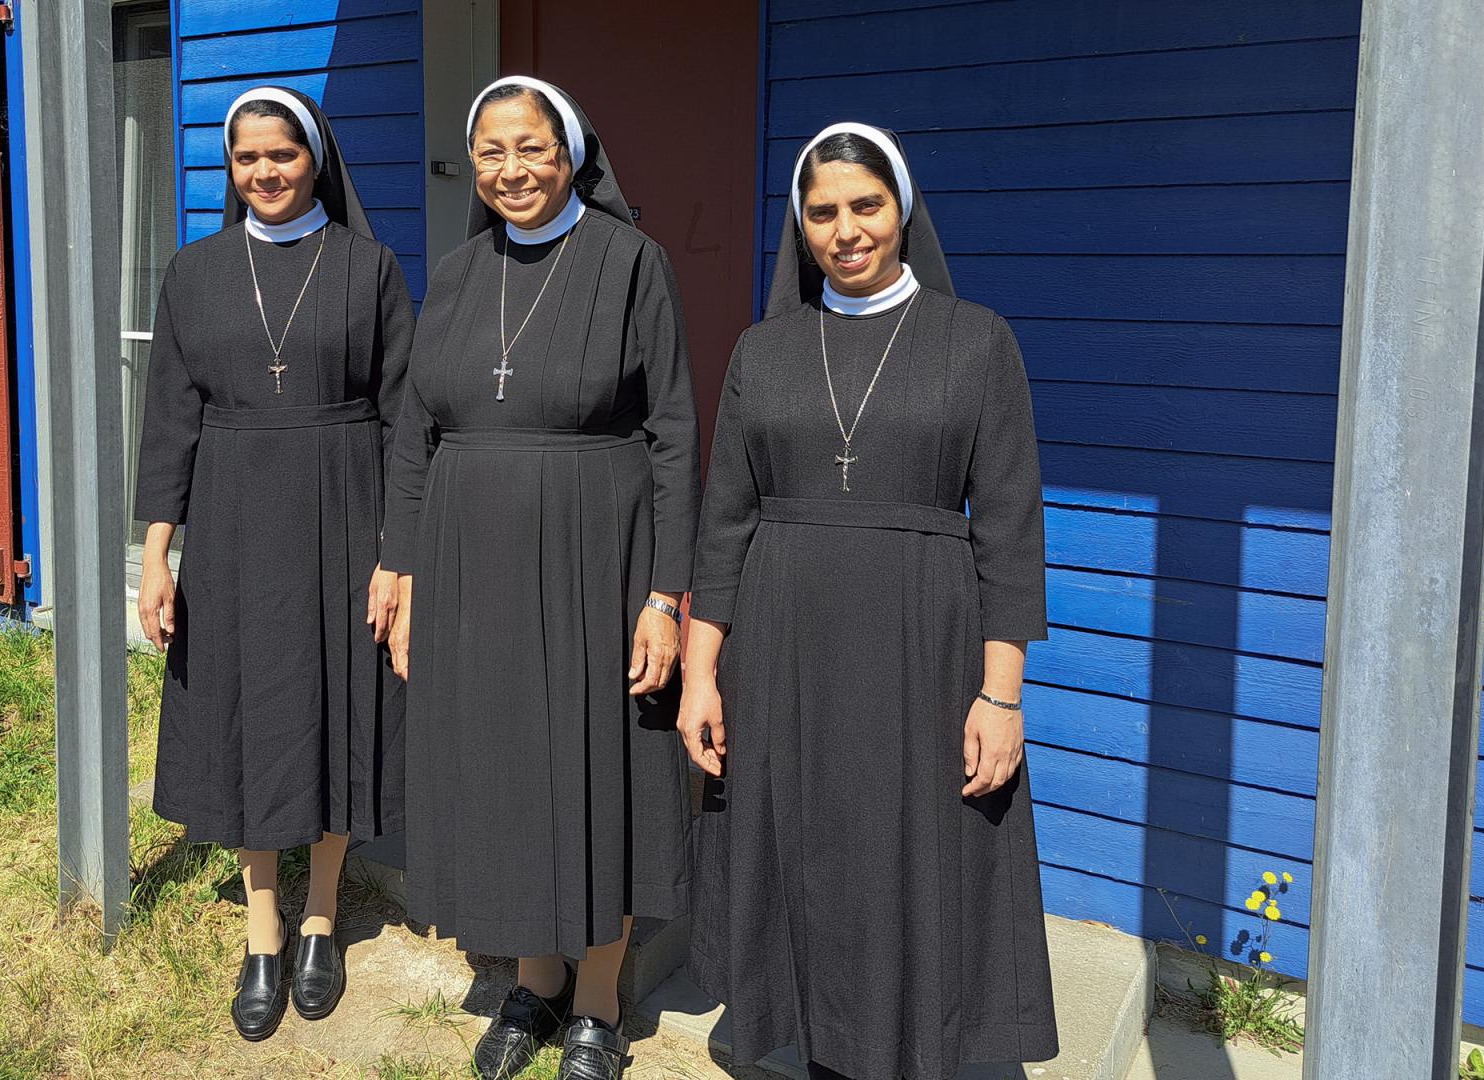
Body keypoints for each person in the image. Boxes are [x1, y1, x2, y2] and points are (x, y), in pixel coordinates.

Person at [680, 122, 1058, 1080]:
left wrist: (1001, 695)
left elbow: (1010, 531)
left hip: (922, 647)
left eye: (865, 206)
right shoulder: (764, 351)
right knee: (806, 855)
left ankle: (912, 1046)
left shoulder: (977, 342)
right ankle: (822, 1047)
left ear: (903, 210)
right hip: (785, 646)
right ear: (799, 227)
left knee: (909, 857)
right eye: (822, 213)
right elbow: (724, 522)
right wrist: (700, 674)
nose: (845, 230)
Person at [378, 76, 700, 1080]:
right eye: (491, 151)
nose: (511, 169)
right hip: (470, 567)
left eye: (531, 148)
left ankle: (598, 1000)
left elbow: (674, 432)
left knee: (597, 761)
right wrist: (402, 565)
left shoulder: (630, 260)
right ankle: (534, 978)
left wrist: (664, 595)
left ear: (571, 155)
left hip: (599, 555)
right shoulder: (458, 272)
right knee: (508, 762)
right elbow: (415, 433)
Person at [133, 85, 413, 1042]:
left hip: (346, 510)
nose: (265, 173)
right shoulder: (197, 270)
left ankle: (322, 915)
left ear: (315, 160)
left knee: (337, 702)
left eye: (282, 155)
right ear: (231, 167)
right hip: (234, 519)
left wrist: (398, 554)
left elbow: (404, 418)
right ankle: (263, 929)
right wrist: (157, 555)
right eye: (247, 157)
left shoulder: (368, 268)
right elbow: (169, 420)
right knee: (249, 709)